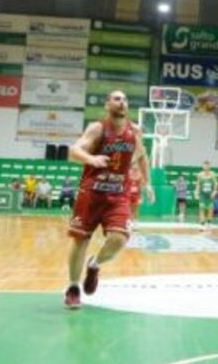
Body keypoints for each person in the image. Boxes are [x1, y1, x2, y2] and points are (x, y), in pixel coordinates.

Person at [64, 91, 152, 309]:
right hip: (91, 193)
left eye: (125, 99)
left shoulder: (135, 131)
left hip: (118, 195)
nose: (122, 102)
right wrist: (91, 158)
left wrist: (147, 183)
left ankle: (95, 265)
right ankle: (73, 287)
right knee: (80, 240)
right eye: (117, 99)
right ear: (107, 105)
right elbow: (73, 151)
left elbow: (142, 156)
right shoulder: (98, 128)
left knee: (119, 239)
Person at [196, 161, 218, 230]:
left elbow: (215, 184)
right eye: (205, 165)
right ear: (203, 166)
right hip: (203, 195)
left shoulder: (213, 174)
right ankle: (202, 224)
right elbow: (198, 184)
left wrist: (214, 191)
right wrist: (196, 192)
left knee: (210, 209)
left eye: (207, 165)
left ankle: (208, 222)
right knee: (201, 208)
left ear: (210, 166)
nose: (206, 167)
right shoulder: (199, 175)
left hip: (210, 195)